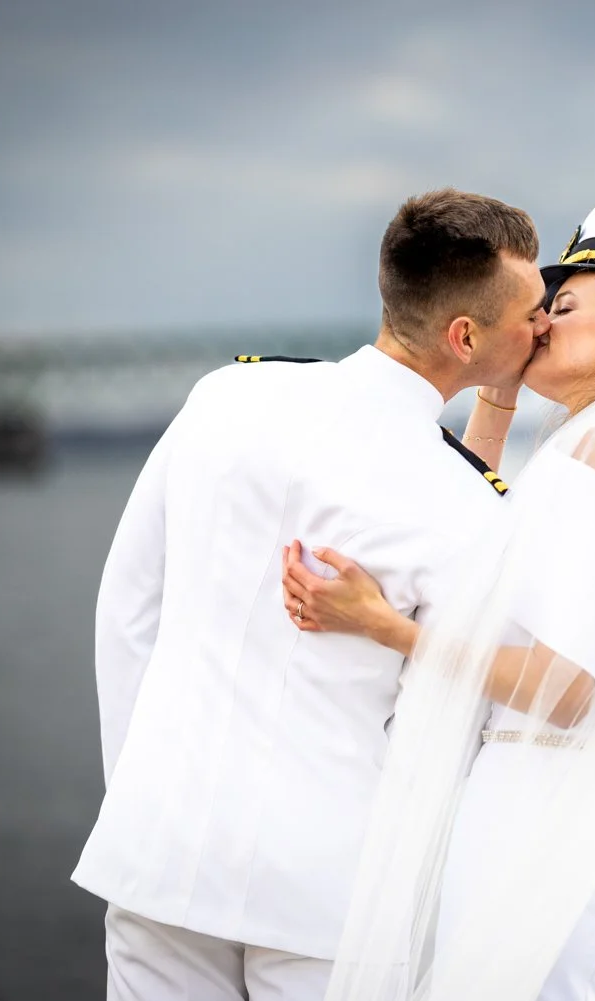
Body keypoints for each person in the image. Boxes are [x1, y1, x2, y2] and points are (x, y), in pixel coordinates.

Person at [70, 188, 550, 1001]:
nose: (542, 327)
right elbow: (445, 717)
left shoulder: (226, 396)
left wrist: (143, 791)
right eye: (531, 313)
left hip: (158, 845)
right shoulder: (465, 503)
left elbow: (128, 609)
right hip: (331, 888)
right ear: (465, 336)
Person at [280, 199, 595, 1001]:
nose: (538, 322)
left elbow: (567, 689)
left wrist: (384, 626)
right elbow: (472, 537)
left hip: (527, 826)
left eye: (563, 307)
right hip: (525, 813)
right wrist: (498, 396)